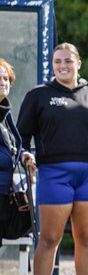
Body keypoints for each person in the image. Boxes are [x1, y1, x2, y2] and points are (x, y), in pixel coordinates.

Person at [16, 43, 88, 275]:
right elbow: (22, 137)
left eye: (68, 60)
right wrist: (25, 155)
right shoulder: (39, 96)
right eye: (58, 61)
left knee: (86, 236)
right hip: (55, 174)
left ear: (79, 63)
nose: (63, 65)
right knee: (50, 237)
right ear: (53, 65)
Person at [0, 58, 31, 240]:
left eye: (5, 78)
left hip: (5, 194)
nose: (3, 83)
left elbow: (11, 148)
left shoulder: (4, 114)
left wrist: (23, 155)